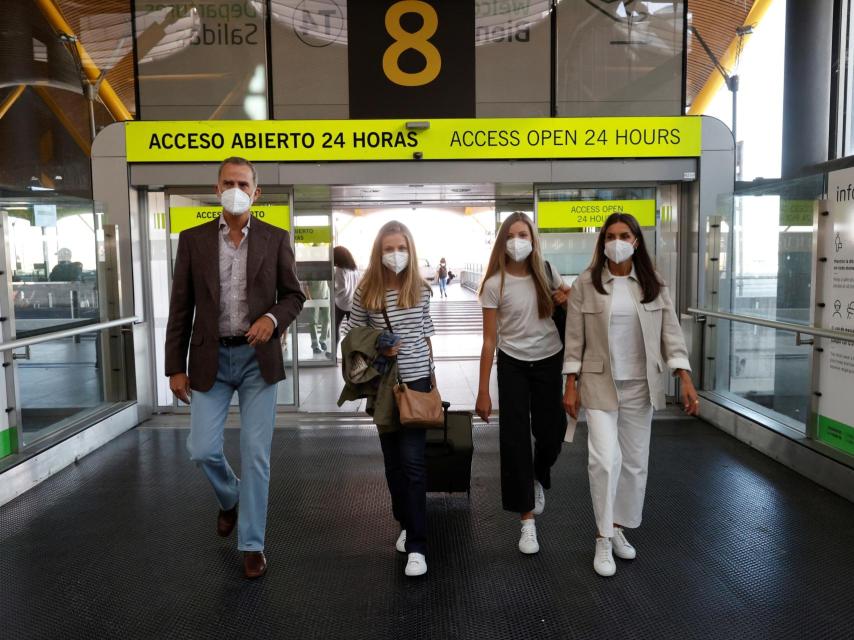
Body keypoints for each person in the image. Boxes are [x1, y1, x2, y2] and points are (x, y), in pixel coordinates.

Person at [165, 156, 305, 579]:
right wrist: (174, 365)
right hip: (209, 357)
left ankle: (252, 543)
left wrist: (272, 319)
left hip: (256, 361)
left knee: (256, 455)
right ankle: (230, 499)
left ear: (256, 192)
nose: (236, 189)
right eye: (228, 182)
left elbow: (294, 296)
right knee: (201, 449)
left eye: (243, 183)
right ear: (216, 188)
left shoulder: (276, 238)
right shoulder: (192, 240)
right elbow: (180, 307)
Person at [562, 212, 700, 578]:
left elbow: (671, 334)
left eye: (624, 235)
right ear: (602, 242)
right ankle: (602, 537)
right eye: (610, 236)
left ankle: (619, 527)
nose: (617, 241)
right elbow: (574, 341)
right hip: (598, 384)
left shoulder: (654, 285)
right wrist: (570, 385)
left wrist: (684, 378)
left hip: (642, 384)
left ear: (637, 241)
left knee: (635, 464)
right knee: (605, 461)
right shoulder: (585, 285)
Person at [341, 220, 435, 577]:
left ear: (410, 250)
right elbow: (351, 336)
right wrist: (379, 343)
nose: (396, 254)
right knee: (394, 466)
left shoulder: (422, 289)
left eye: (401, 247)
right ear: (378, 253)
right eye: (389, 248)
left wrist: (428, 374)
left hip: (416, 385)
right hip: (383, 387)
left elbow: (426, 335)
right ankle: (406, 521)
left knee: (413, 464)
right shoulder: (366, 292)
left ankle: (418, 545)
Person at [475, 212, 570, 555]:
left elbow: (571, 310)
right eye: (512, 234)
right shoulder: (493, 285)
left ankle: (538, 473)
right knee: (514, 440)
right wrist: (483, 390)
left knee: (552, 431)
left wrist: (568, 298)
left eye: (524, 234)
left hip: (549, 360)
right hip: (512, 363)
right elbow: (489, 341)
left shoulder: (547, 273)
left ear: (533, 239)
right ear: (503, 241)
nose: (519, 240)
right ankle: (526, 521)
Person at [333, 245, 359, 346]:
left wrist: (333, 295)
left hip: (341, 304)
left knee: (335, 328)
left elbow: (342, 288)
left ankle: (334, 353)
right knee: (353, 331)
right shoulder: (354, 268)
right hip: (353, 304)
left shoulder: (340, 269)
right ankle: (354, 354)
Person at [306, 280, 331, 354]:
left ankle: (322, 340)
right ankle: (315, 346)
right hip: (313, 297)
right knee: (313, 322)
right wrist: (308, 297)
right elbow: (305, 284)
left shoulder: (325, 268)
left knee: (327, 319)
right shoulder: (308, 269)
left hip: (325, 295)